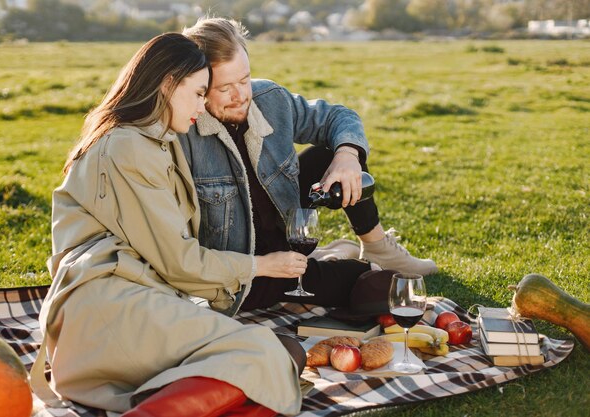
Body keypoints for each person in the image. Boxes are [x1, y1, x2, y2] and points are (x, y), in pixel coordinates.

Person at [30, 33, 304, 417]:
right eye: (197, 93)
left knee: (280, 359)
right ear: (167, 84)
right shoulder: (127, 147)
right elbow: (179, 263)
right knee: (264, 353)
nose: (202, 105)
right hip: (109, 311)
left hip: (137, 298)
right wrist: (260, 266)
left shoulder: (155, 139)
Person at [178, 17, 437, 311]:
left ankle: (377, 246)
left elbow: (338, 117)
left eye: (244, 80)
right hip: (248, 270)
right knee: (371, 286)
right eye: (225, 88)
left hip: (284, 226)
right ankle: (327, 259)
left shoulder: (270, 99)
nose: (241, 97)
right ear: (198, 86)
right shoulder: (183, 131)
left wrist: (348, 156)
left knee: (332, 152)